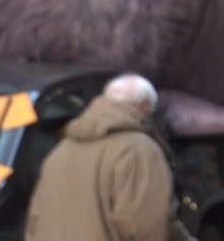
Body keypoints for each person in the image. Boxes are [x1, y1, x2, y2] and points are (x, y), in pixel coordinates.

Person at [26, 73, 194, 241]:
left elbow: (35, 221)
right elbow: (150, 226)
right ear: (144, 108)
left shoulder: (60, 151)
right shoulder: (139, 150)